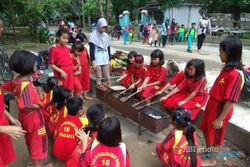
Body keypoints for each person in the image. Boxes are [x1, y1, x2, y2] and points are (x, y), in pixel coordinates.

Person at [199, 36, 244, 166]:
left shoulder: (235, 74)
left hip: (221, 108)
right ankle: (208, 151)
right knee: (206, 129)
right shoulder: (226, 68)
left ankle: (212, 160)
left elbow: (230, 100)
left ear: (229, 52)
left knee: (216, 135)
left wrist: (220, 119)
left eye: (221, 52)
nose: (219, 54)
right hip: (212, 104)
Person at [2, 50, 48, 167]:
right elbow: (25, 105)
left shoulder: (17, 79)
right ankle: (38, 165)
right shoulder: (26, 85)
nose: (37, 65)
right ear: (28, 67)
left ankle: (33, 163)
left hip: (23, 118)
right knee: (39, 142)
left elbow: (5, 87)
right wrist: (39, 104)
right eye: (35, 64)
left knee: (30, 139)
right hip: (34, 118)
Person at [53, 96, 88, 161]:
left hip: (56, 152)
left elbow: (55, 135)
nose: (84, 108)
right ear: (80, 111)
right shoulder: (84, 121)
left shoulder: (62, 120)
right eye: (83, 106)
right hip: (70, 157)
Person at [0, 87, 26, 166]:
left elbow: (1, 107)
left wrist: (10, 117)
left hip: (3, 125)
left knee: (5, 156)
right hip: (4, 129)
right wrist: (4, 129)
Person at [89, 18, 111, 87]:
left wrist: (109, 59)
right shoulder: (93, 35)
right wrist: (93, 61)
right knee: (98, 76)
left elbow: (108, 48)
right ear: (98, 26)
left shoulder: (106, 36)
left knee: (107, 75)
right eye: (102, 28)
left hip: (105, 58)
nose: (103, 30)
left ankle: (109, 89)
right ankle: (99, 91)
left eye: (105, 28)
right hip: (97, 59)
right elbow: (91, 49)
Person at [0, 18, 14, 113]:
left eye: (2, 26)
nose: (2, 29)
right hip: (2, 88)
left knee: (6, 112)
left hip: (6, 85)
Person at [76, 33, 92, 100]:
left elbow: (87, 58)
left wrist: (89, 66)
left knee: (86, 81)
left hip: (86, 67)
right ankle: (80, 96)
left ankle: (85, 95)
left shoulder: (85, 49)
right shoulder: (76, 48)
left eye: (85, 41)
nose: (84, 43)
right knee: (79, 82)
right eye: (83, 41)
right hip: (79, 68)